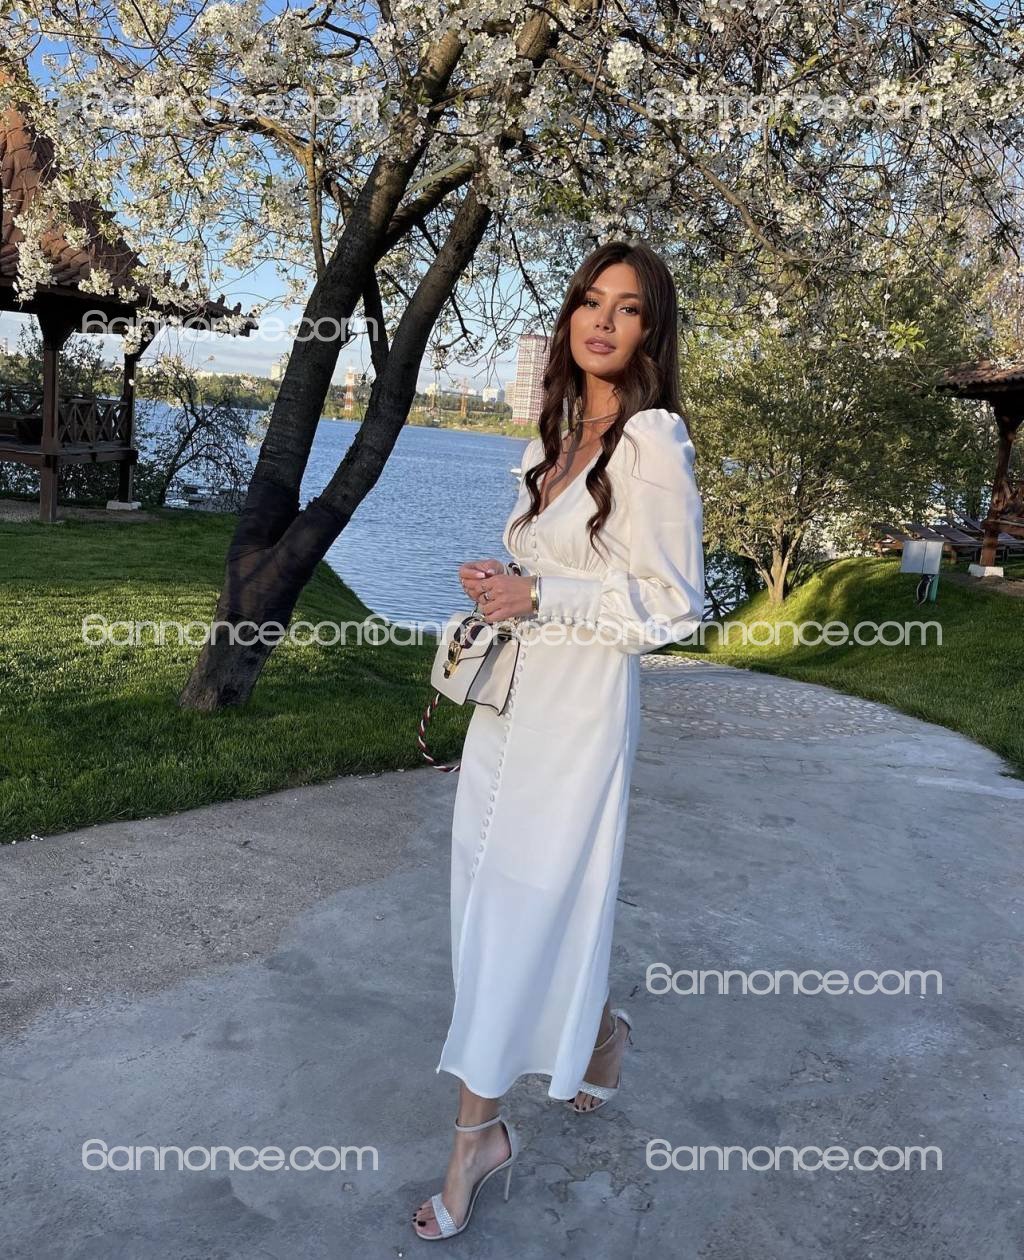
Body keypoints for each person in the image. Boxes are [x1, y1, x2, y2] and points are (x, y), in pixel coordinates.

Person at [412, 239, 705, 1240]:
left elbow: (675, 604)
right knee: (486, 904)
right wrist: (503, 586)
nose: (602, 320)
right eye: (589, 300)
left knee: (517, 912)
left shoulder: (652, 440)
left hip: (578, 719)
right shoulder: (557, 436)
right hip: (509, 710)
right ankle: (601, 1036)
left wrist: (545, 594)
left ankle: (475, 1141)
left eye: (627, 308)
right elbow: (549, 570)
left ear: (650, 332)